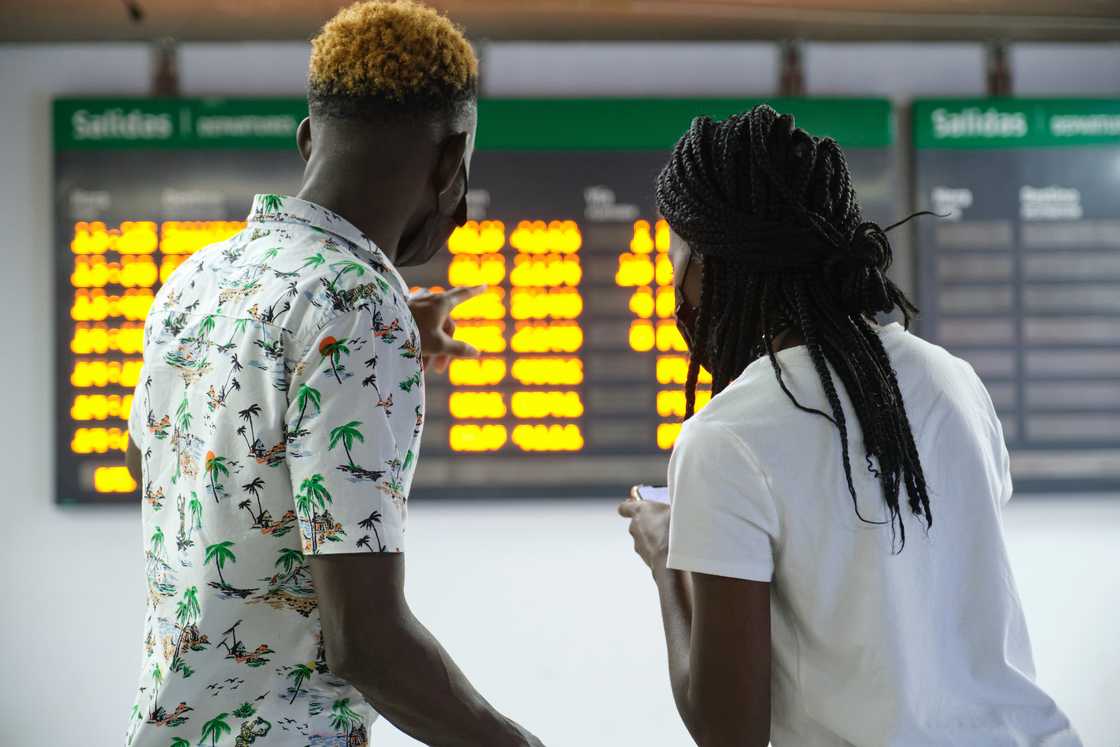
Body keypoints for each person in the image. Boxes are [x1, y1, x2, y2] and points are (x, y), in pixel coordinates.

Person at [123, 2, 543, 745]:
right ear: (450, 165)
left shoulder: (197, 278)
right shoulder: (357, 306)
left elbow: (160, 461)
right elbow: (366, 643)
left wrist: (348, 358)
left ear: (309, 138)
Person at [618, 104, 1080, 747]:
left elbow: (730, 734)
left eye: (675, 254)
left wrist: (667, 562)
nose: (670, 280)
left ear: (711, 264)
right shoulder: (954, 381)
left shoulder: (727, 439)